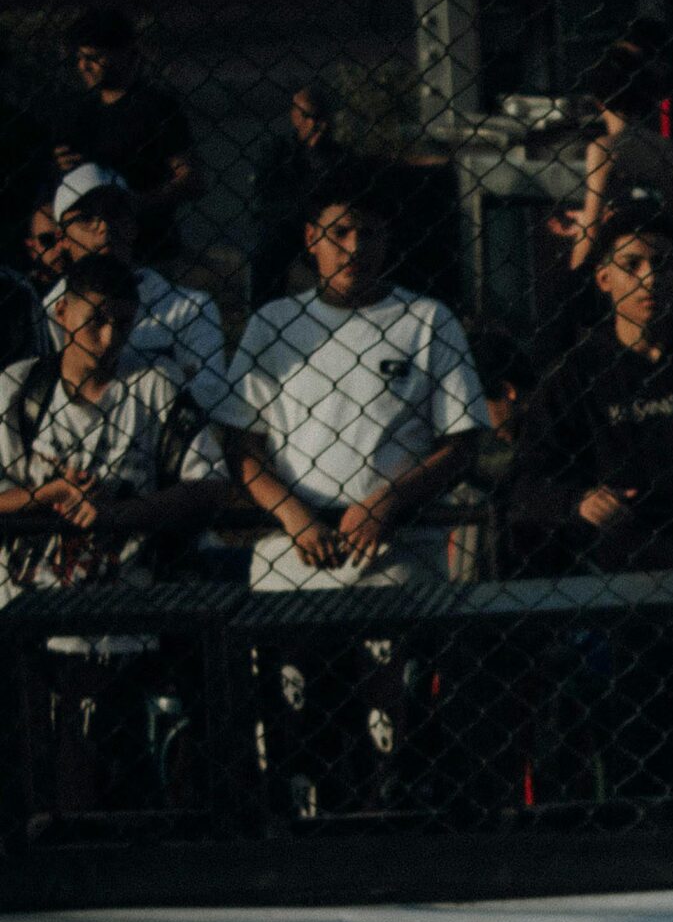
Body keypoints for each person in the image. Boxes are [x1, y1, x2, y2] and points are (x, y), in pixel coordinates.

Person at [219, 171, 487, 819]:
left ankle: (390, 827)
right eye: (339, 232)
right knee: (289, 727)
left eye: (368, 232)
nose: (354, 246)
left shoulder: (426, 319)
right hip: (293, 553)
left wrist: (387, 500)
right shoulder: (273, 324)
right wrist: (294, 514)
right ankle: (293, 840)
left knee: (389, 730)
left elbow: (463, 440)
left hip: (393, 552)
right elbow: (239, 444)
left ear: (388, 238)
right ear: (312, 239)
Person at [508, 211, 673, 803]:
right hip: (626, 586)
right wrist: (578, 502)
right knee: (639, 745)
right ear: (603, 279)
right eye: (631, 264)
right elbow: (525, 486)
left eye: (662, 262)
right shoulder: (575, 375)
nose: (649, 277)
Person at [0, 253, 225, 819]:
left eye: (122, 323)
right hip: (24, 606)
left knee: (101, 763)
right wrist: (45, 497)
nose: (108, 337)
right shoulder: (17, 388)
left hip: (122, 610)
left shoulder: (154, 388)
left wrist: (124, 513)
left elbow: (209, 485)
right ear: (61, 312)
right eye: (95, 319)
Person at [42, 165, 224, 412]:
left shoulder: (191, 308)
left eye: (116, 213)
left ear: (133, 226)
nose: (104, 226)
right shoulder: (50, 311)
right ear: (62, 237)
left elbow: (207, 401)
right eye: (86, 218)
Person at [49, 9, 199, 265]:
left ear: (125, 53)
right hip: (89, 248)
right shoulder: (80, 112)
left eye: (94, 57)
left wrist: (136, 203)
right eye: (79, 58)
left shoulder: (156, 107)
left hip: (148, 246)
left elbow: (191, 178)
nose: (83, 66)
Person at [551, 48, 673, 273]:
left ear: (599, 102)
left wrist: (577, 271)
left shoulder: (604, 148)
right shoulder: (665, 147)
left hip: (620, 256)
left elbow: (591, 227)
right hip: (656, 254)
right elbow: (672, 217)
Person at [249, 84, 352, 306]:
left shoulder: (338, 155)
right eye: (309, 117)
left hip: (322, 225)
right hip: (285, 223)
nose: (317, 125)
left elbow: (341, 193)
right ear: (295, 118)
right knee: (265, 253)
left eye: (321, 118)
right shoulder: (277, 149)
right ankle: (262, 310)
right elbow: (266, 194)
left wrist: (318, 156)